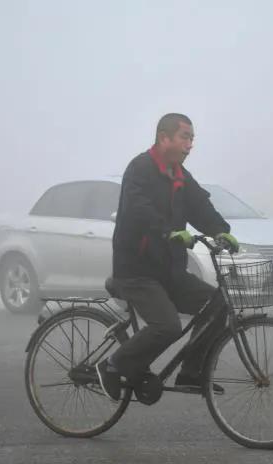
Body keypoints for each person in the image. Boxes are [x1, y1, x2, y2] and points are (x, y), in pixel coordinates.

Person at [96, 113, 240, 401]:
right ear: (164, 138)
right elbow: (140, 209)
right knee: (168, 326)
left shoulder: (179, 175)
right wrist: (168, 232)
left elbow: (200, 206)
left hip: (169, 270)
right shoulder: (140, 169)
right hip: (136, 270)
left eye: (192, 139)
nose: (190, 145)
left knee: (218, 306)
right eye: (185, 137)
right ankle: (113, 365)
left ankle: (192, 373)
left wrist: (221, 231)